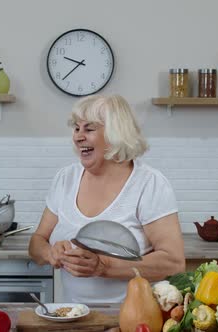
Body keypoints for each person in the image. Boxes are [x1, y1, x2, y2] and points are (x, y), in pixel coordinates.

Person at [29, 94, 185, 303]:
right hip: (74, 317)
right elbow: (37, 242)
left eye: (89, 129)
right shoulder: (66, 178)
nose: (78, 136)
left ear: (115, 134)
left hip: (133, 319)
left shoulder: (149, 183)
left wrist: (103, 266)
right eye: (76, 128)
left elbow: (173, 262)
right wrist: (50, 253)